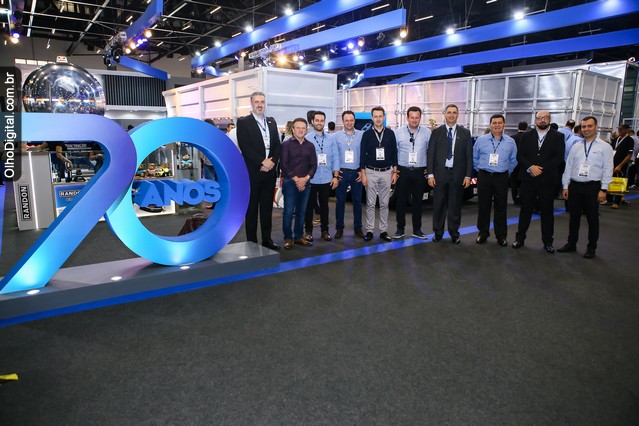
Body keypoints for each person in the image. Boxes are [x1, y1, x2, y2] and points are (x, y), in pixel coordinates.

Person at [558, 116, 613, 259]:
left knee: (592, 218)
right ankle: (571, 244)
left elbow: (608, 168)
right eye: (584, 126)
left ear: (596, 127)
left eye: (589, 126)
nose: (586, 129)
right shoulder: (576, 146)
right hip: (575, 186)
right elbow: (569, 167)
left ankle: (591, 247)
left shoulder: (605, 147)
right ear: (580, 128)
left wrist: (604, 189)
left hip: (592, 187)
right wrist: (565, 186)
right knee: (574, 217)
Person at [512, 110, 565, 253]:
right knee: (525, 210)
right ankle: (520, 239)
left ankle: (548, 242)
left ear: (550, 119)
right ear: (535, 120)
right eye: (539, 118)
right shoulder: (526, 136)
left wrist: (541, 169)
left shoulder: (558, 136)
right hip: (528, 179)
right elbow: (520, 155)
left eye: (545, 118)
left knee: (547, 212)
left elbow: (559, 158)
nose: (542, 120)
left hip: (547, 180)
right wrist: (530, 167)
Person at [237, 91, 282, 251]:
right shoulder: (243, 122)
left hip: (269, 173)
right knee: (251, 209)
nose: (260, 105)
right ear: (251, 104)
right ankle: (252, 242)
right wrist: (262, 162)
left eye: (262, 102)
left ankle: (267, 240)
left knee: (266, 209)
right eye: (256, 102)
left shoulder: (271, 122)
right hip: (253, 173)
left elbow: (277, 145)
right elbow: (245, 146)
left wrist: (272, 162)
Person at [426, 104, 473, 244]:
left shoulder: (465, 133)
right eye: (449, 112)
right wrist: (430, 174)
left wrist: (468, 176)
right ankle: (438, 233)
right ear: (444, 114)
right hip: (439, 175)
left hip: (457, 175)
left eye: (454, 112)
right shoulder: (436, 132)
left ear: (458, 115)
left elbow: (469, 156)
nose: (451, 115)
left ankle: (454, 233)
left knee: (455, 206)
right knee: (438, 206)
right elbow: (431, 154)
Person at [473, 114, 518, 246]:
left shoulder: (510, 142)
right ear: (490, 125)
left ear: (504, 125)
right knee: (483, 207)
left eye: (499, 123)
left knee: (501, 207)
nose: (497, 125)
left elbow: (513, 160)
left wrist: (505, 172)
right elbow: (475, 158)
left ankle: (501, 236)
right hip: (484, 176)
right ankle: (483, 233)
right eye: (494, 123)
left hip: (501, 177)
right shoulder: (481, 140)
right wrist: (481, 171)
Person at [359, 106, 398, 242]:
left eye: (380, 116)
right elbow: (362, 155)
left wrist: (394, 172)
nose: (378, 119)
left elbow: (394, 153)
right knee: (370, 204)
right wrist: (363, 174)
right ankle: (370, 230)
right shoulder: (367, 134)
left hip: (387, 172)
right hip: (370, 172)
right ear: (372, 118)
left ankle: (383, 231)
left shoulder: (390, 134)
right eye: (375, 116)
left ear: (384, 117)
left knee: (384, 204)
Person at [392, 106, 431, 239]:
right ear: (407, 118)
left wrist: (429, 169)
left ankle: (417, 230)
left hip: (420, 172)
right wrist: (394, 170)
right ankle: (400, 229)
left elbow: (430, 152)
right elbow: (394, 152)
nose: (414, 120)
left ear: (420, 118)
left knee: (418, 202)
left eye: (417, 117)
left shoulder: (427, 133)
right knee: (401, 201)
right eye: (412, 117)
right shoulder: (398, 132)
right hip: (403, 171)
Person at [280, 118, 317, 250]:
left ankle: (299, 237)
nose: (301, 130)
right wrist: (296, 179)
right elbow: (283, 164)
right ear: (293, 129)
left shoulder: (310, 146)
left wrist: (305, 179)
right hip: (290, 183)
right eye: (298, 128)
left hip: (305, 183)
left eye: (303, 128)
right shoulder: (286, 144)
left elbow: (314, 165)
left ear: (306, 130)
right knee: (289, 212)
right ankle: (288, 238)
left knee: (302, 211)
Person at [303, 111, 339, 242]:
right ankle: (308, 232)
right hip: (311, 178)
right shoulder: (307, 138)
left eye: (322, 120)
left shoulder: (331, 138)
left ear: (324, 122)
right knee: (309, 206)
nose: (319, 123)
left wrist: (335, 176)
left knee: (324, 206)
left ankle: (325, 231)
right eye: (317, 120)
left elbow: (335, 157)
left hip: (326, 178)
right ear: (312, 121)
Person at [334, 110, 364, 239]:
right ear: (343, 121)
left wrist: (363, 171)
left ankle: (358, 227)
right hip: (342, 172)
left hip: (357, 172)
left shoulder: (362, 135)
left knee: (357, 202)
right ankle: (339, 228)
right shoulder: (336, 136)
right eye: (346, 120)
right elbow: (334, 155)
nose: (349, 122)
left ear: (354, 121)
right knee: (340, 202)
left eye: (351, 120)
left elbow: (364, 154)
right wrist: (335, 173)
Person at [606, 123, 633, 209]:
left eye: (621, 129)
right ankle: (609, 200)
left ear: (626, 130)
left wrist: (620, 165)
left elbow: (629, 155)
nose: (619, 131)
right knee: (609, 181)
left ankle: (616, 202)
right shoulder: (616, 139)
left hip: (621, 165)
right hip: (612, 163)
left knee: (619, 182)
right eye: (619, 129)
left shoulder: (629, 140)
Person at [509, 121, 528, 205]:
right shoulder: (528, 137)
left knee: (514, 182)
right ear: (526, 128)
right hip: (524, 164)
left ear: (518, 127)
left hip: (514, 163)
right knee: (523, 183)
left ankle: (515, 199)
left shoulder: (512, 138)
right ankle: (522, 199)